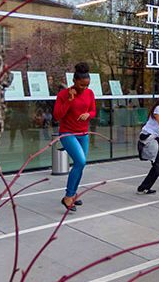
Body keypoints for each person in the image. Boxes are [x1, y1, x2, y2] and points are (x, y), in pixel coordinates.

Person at [53, 62, 96, 212]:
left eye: (87, 85)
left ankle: (73, 194)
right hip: (67, 133)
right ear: (75, 81)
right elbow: (57, 116)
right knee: (80, 161)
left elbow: (93, 111)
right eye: (82, 85)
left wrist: (88, 115)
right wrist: (69, 101)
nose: (85, 88)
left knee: (80, 165)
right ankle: (68, 196)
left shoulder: (89, 93)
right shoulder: (63, 95)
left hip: (83, 133)